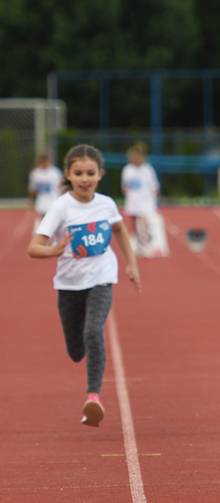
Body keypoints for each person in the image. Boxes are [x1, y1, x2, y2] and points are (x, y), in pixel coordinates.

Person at [27, 145, 141, 427]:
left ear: (100, 174)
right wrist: (54, 249)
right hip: (69, 284)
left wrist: (131, 263)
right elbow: (33, 247)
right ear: (68, 174)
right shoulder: (61, 207)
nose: (85, 179)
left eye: (90, 173)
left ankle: (93, 397)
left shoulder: (106, 204)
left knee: (93, 331)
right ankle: (83, 361)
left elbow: (119, 230)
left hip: (101, 278)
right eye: (78, 173)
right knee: (76, 350)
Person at [121, 142, 161, 252]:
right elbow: (124, 186)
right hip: (133, 200)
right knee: (133, 221)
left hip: (145, 201)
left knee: (144, 223)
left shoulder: (147, 169)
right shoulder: (127, 169)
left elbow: (154, 186)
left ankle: (147, 243)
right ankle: (135, 243)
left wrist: (153, 199)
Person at [27, 153, 63, 225]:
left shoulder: (55, 173)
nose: (44, 163)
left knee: (52, 218)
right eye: (42, 161)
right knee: (44, 218)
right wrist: (31, 200)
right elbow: (33, 188)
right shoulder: (35, 173)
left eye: (46, 161)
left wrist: (61, 199)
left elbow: (61, 187)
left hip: (53, 199)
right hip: (42, 200)